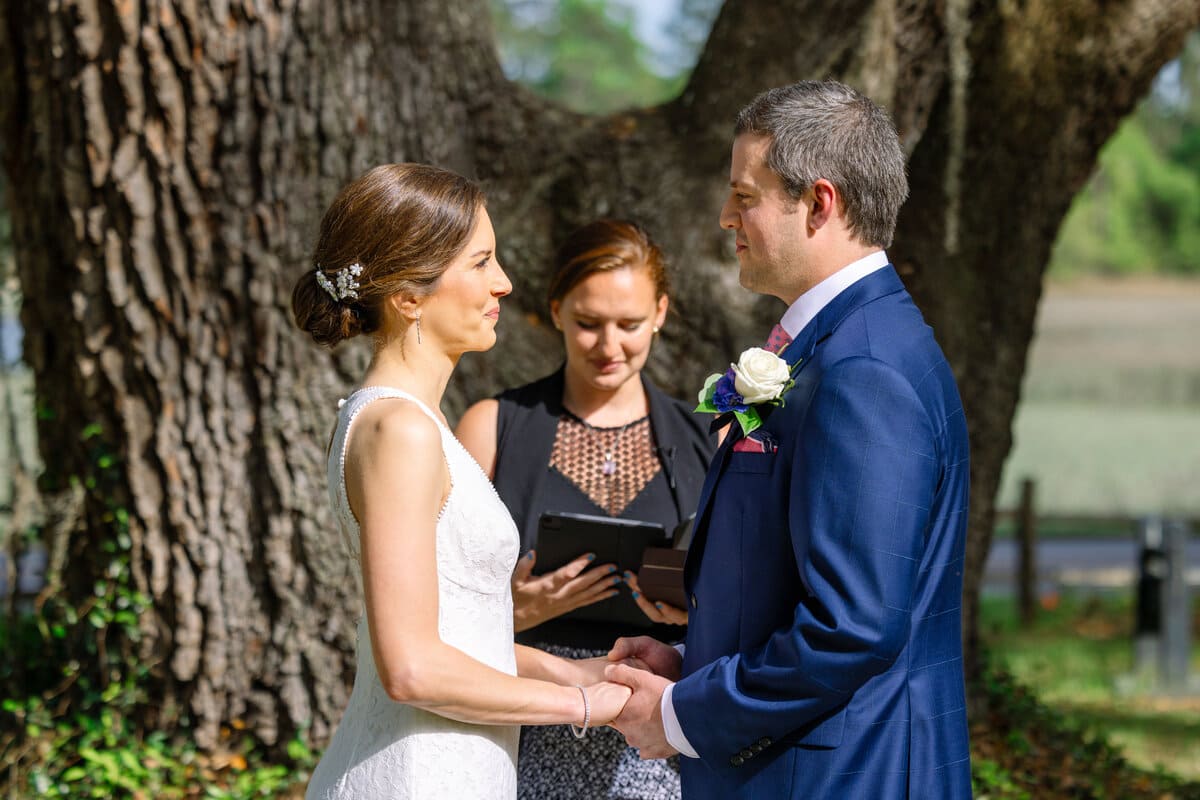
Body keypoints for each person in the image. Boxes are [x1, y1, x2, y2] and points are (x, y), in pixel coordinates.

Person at [605, 81, 973, 798]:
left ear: (819, 203)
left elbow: (852, 627)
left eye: (745, 197)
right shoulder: (841, 344)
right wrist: (695, 658)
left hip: (841, 776)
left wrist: (680, 716)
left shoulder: (864, 369)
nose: (724, 218)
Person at [294, 164, 631, 800]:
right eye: (481, 263)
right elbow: (413, 669)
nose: (503, 282)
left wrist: (581, 674)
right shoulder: (400, 430)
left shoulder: (401, 420)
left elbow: (459, 635)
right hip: (415, 776)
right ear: (409, 296)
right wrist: (591, 711)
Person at [456, 219, 716, 800]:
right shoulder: (492, 427)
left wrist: (692, 616)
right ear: (555, 311)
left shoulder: (708, 439)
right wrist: (509, 612)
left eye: (629, 325)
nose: (609, 346)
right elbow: (435, 611)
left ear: (662, 313)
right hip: (525, 713)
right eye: (587, 324)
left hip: (659, 725)